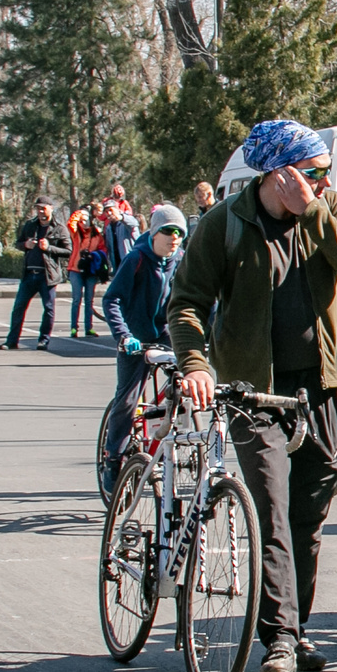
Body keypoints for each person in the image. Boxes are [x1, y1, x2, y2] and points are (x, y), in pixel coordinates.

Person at [165, 119, 337, 672]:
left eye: (325, 173)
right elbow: (185, 303)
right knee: (273, 506)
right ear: (278, 174)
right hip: (253, 390)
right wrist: (194, 364)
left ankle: (296, 624)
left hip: (322, 386)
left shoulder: (331, 209)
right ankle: (278, 637)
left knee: (310, 512)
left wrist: (314, 211)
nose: (323, 181)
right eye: (313, 172)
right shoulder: (223, 223)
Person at [98, 203, 188, 496]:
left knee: (184, 385)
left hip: (163, 332)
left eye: (179, 232)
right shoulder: (137, 259)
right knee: (127, 399)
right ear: (154, 232)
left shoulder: (182, 262)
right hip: (134, 336)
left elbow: (197, 302)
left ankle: (169, 439)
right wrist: (124, 336)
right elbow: (112, 300)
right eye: (167, 231)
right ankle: (113, 459)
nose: (174, 238)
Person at [4, 198, 68, 347]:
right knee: (19, 307)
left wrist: (49, 248)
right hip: (29, 274)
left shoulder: (59, 228)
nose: (40, 212)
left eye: (43, 208)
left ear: (51, 208)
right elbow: (18, 244)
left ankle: (43, 340)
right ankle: (12, 341)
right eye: (38, 208)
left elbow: (68, 251)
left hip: (47, 275)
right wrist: (25, 245)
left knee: (48, 308)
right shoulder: (30, 225)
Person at [66, 202, 106, 338]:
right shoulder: (76, 233)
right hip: (75, 269)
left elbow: (103, 249)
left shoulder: (96, 234)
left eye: (86, 220)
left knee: (89, 300)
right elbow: (71, 223)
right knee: (76, 299)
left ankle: (88, 327)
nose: (83, 223)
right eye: (81, 221)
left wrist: (94, 256)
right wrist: (80, 213)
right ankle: (73, 328)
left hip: (91, 270)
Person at [102, 181, 138, 264]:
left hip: (131, 263)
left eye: (111, 210)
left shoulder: (125, 223)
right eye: (106, 211)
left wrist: (121, 217)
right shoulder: (108, 228)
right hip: (117, 266)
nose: (109, 213)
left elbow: (134, 223)